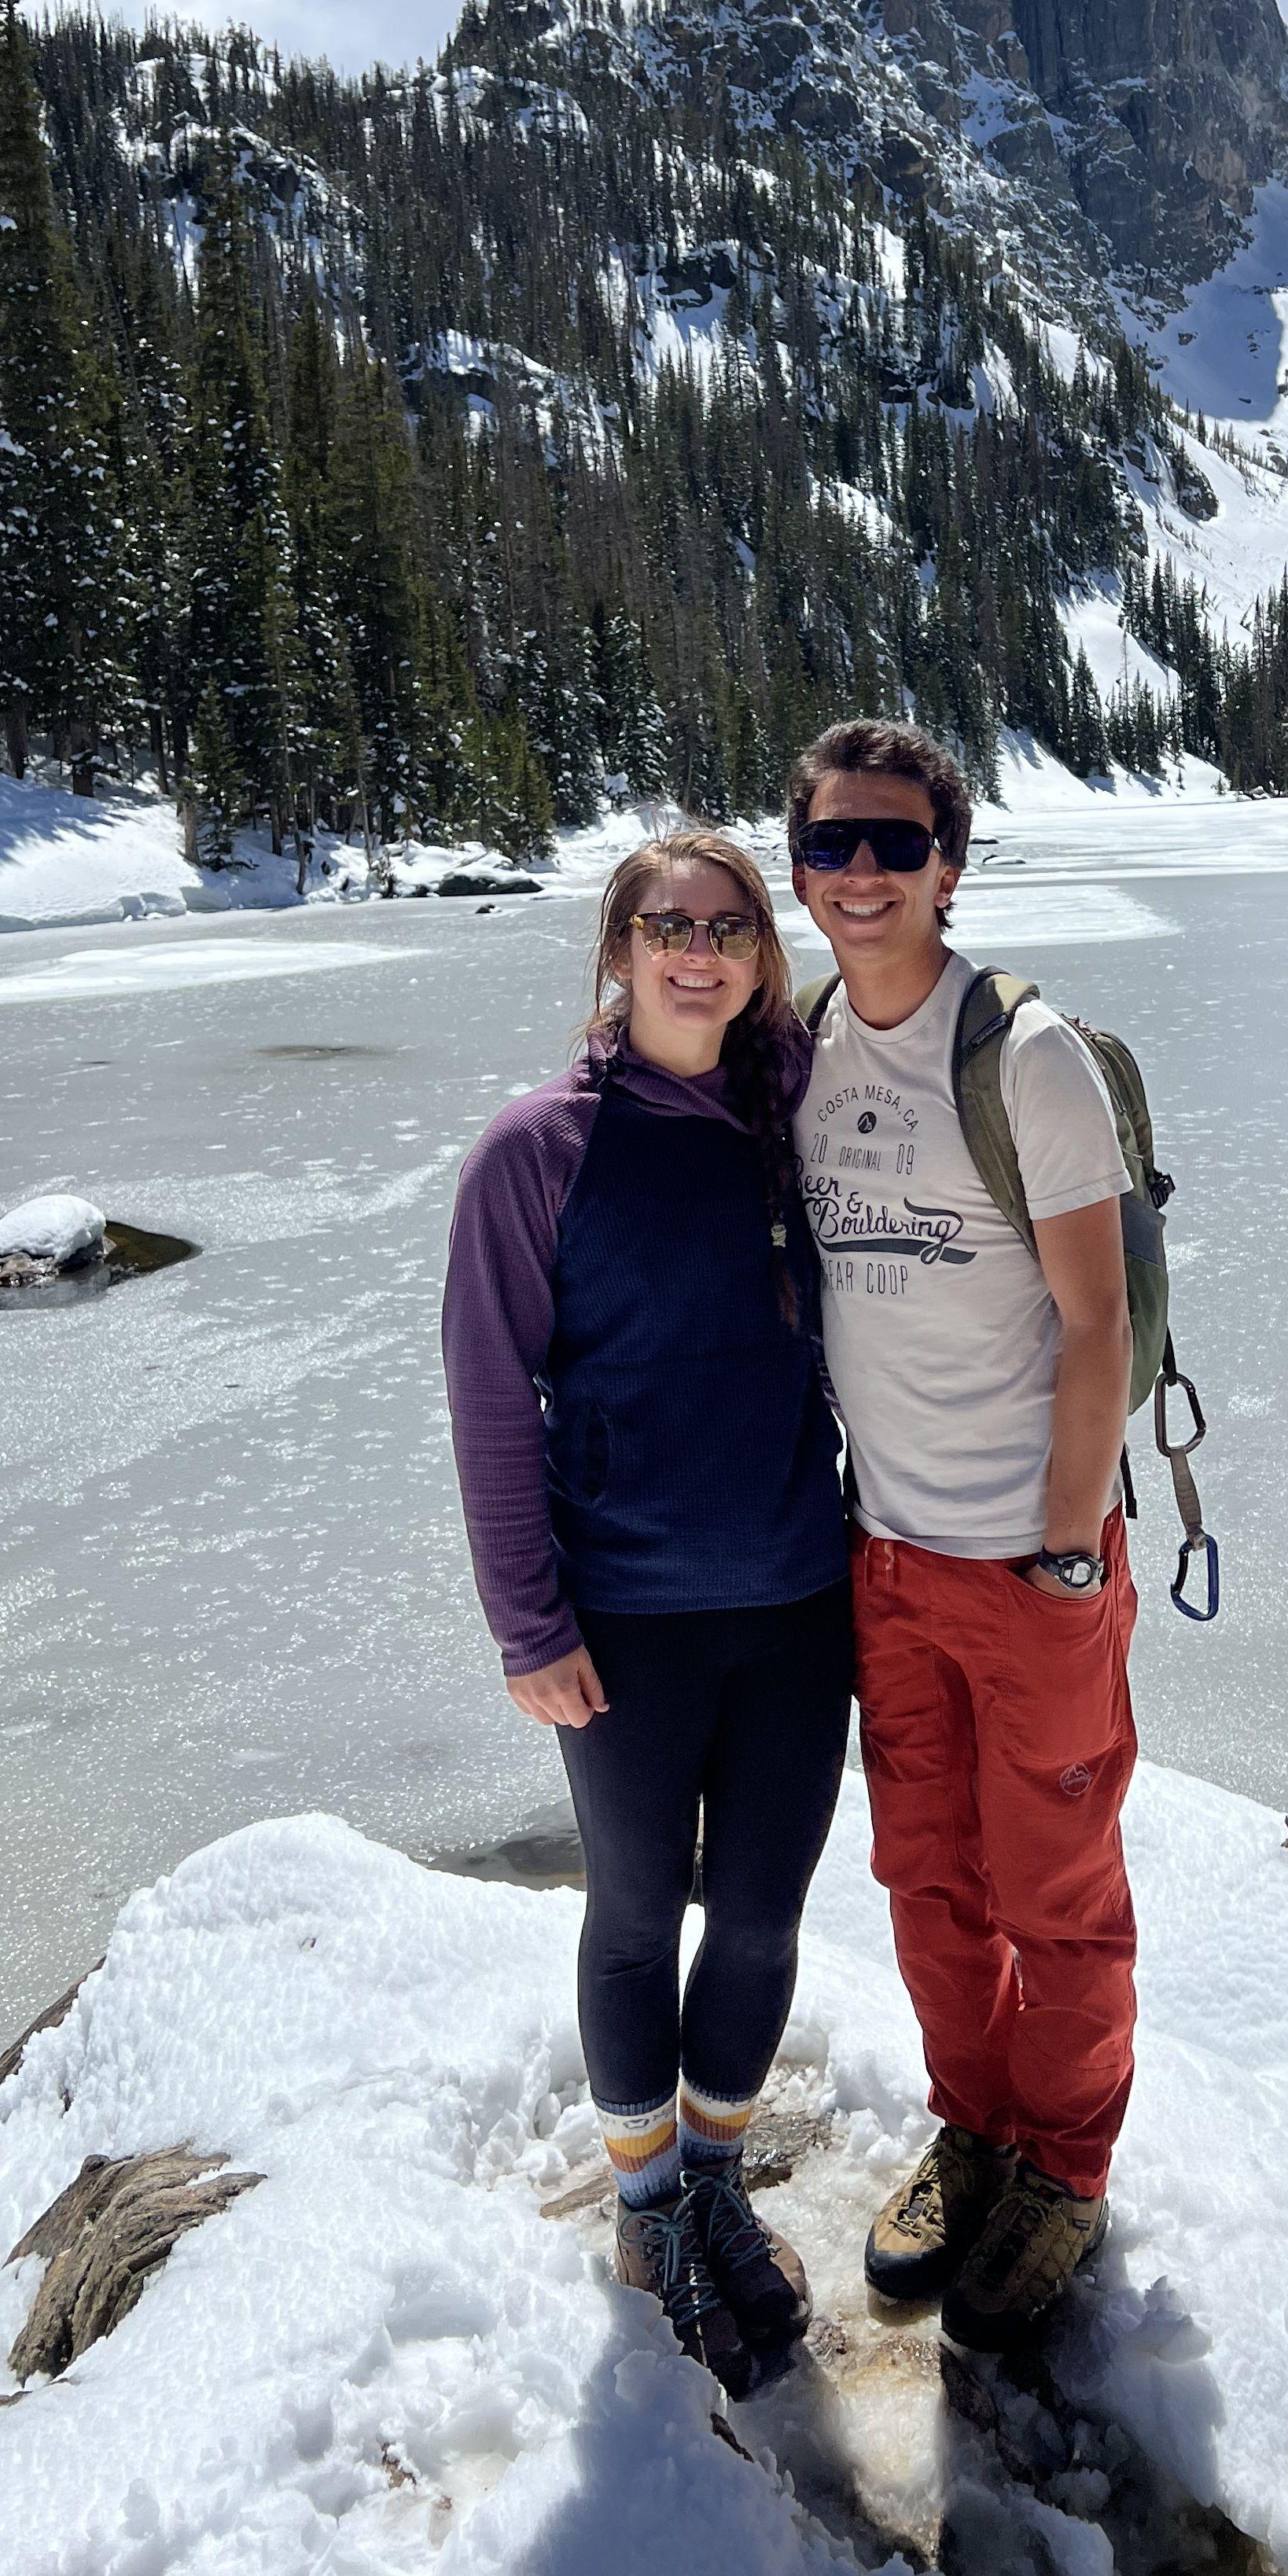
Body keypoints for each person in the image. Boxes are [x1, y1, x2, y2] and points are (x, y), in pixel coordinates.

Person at [440, 831, 852, 2398]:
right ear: (618, 950)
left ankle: (717, 2179)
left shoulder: (791, 1124)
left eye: (730, 926)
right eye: (667, 925)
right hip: (625, 1617)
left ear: (760, 957)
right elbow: (491, 1400)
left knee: (759, 1916)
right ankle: (647, 2208)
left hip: (797, 1599)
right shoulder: (537, 1152)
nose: (699, 950)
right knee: (632, 1914)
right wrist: (527, 1624)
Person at [786, 718, 1143, 2353]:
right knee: (928, 1880)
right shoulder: (807, 1048)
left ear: (949, 865)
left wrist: (1066, 1554)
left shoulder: (1025, 1057)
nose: (861, 873)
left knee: (1056, 1890)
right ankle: (977, 2126)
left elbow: (1098, 1323)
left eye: (894, 842)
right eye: (831, 844)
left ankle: (1065, 2166)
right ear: (801, 871)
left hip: (1027, 1560)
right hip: (886, 1555)